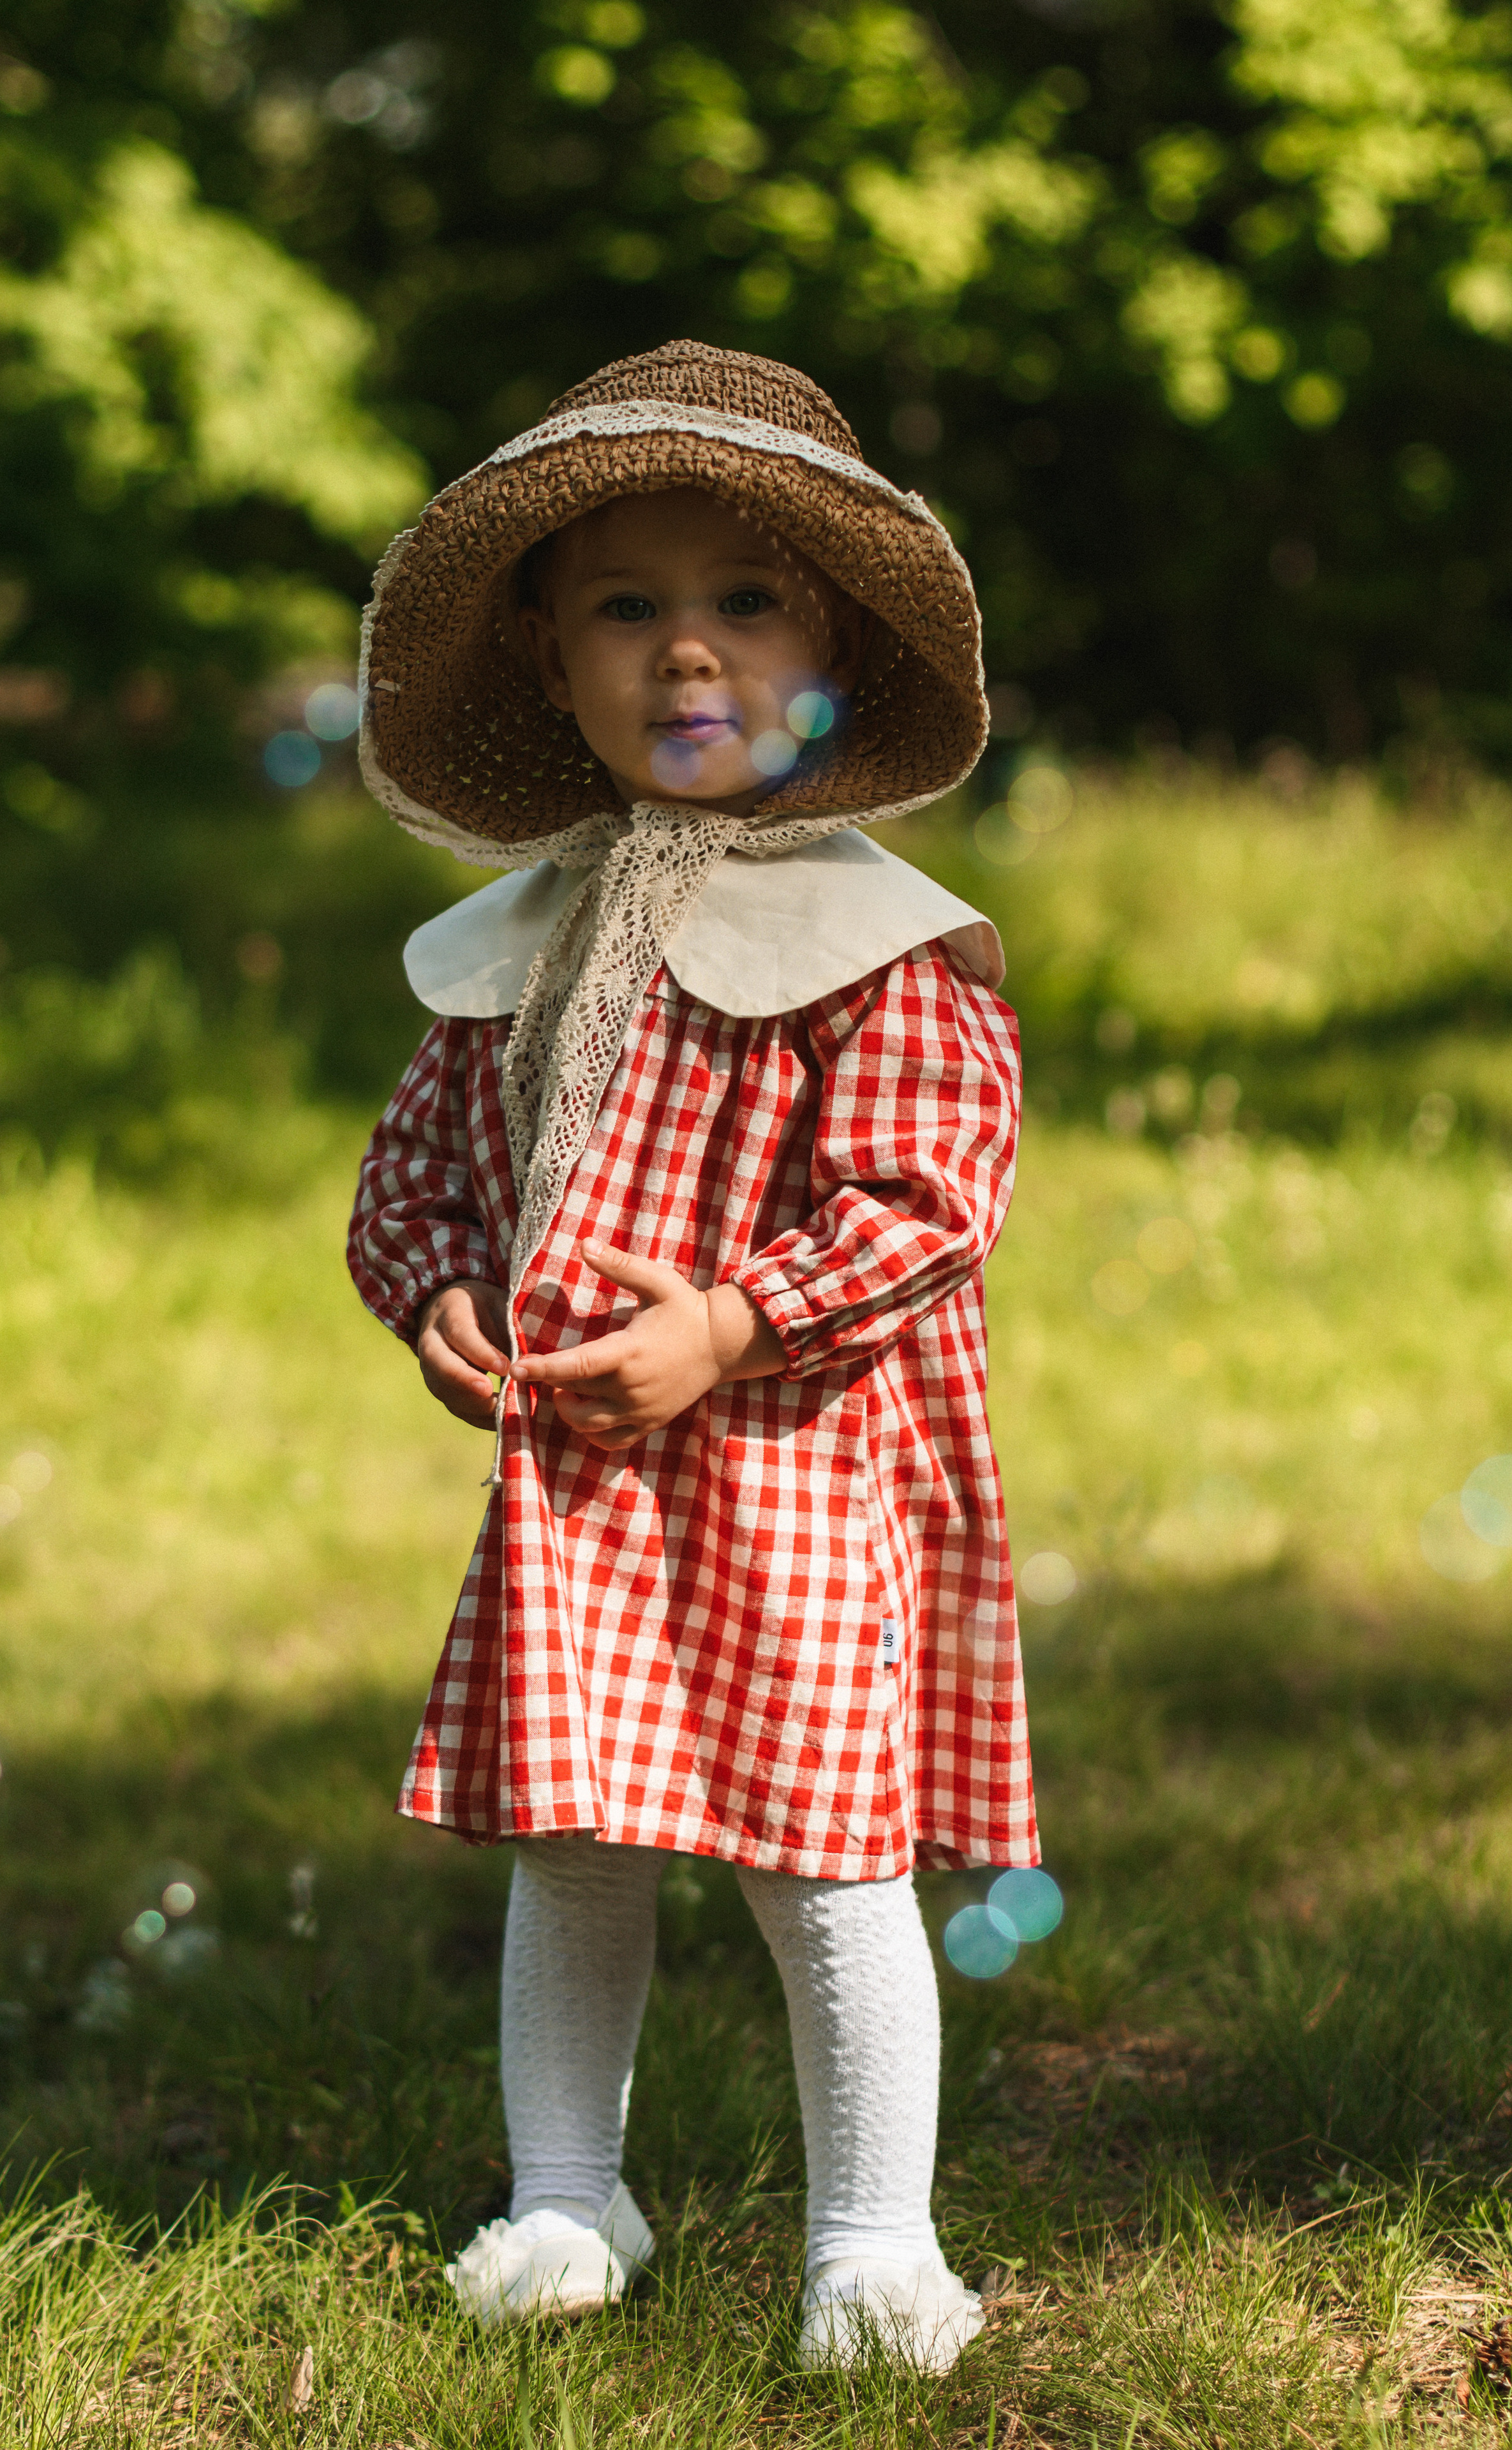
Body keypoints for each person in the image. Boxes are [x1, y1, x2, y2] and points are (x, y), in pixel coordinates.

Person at [346, 341, 1037, 2372]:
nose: (687, 655)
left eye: (743, 604)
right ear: (553, 661)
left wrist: (732, 1320)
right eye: (627, 610)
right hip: (583, 1488)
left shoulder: (875, 940)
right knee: (573, 1848)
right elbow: (413, 1176)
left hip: (801, 1471)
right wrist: (441, 1297)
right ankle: (568, 2197)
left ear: (825, 655)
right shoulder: (522, 941)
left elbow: (935, 1194)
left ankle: (869, 2243)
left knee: (822, 1862)